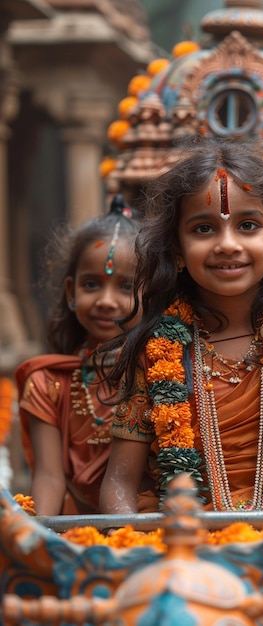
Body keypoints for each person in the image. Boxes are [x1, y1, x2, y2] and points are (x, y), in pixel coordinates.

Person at [99, 138, 263, 518]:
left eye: (248, 226)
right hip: (186, 539)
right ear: (176, 250)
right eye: (204, 229)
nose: (227, 245)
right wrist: (128, 545)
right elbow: (120, 482)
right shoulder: (154, 350)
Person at [15, 197, 141, 516]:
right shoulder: (47, 383)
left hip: (156, 533)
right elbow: (48, 477)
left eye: (126, 287)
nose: (106, 301)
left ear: (151, 295)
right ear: (71, 292)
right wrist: (41, 544)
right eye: (91, 284)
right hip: (79, 534)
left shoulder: (161, 372)